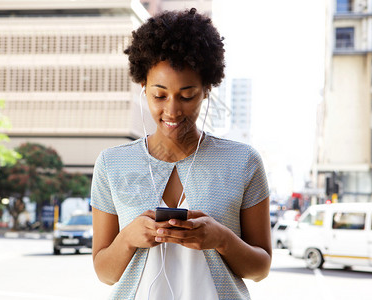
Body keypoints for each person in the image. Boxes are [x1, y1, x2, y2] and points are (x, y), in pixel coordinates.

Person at [91, 8, 271, 299]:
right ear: (143, 87)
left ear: (207, 89)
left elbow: (260, 268)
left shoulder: (243, 162)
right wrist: (128, 238)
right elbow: (105, 273)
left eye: (187, 95)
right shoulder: (112, 164)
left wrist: (221, 239)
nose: (172, 110)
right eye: (159, 95)